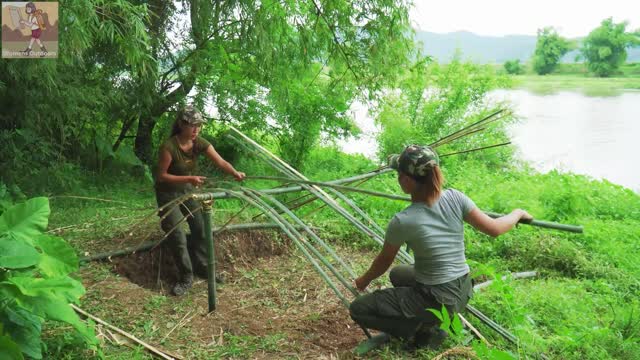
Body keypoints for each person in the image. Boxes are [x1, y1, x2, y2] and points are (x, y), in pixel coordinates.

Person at [349, 145, 532, 349]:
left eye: (399, 174)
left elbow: (383, 261)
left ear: (406, 181)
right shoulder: (456, 197)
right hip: (463, 290)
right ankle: (433, 318)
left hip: (438, 300)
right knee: (398, 275)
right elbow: (495, 229)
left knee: (358, 309)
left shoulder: (404, 221)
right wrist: (517, 213)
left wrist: (363, 281)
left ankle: (421, 331)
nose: (398, 178)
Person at [155, 105, 245, 296]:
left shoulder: (199, 142)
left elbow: (220, 162)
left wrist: (234, 173)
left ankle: (203, 268)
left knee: (201, 227)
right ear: (181, 124)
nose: (196, 129)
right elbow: (161, 176)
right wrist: (189, 179)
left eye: (199, 125)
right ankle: (186, 277)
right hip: (168, 193)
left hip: (187, 190)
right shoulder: (169, 147)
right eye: (192, 125)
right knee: (177, 234)